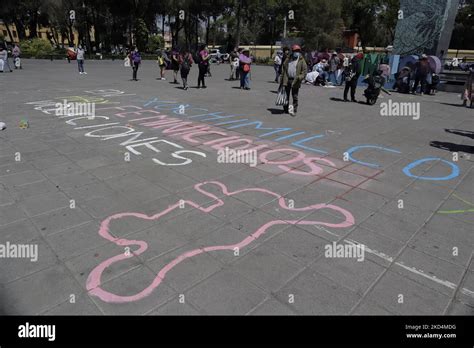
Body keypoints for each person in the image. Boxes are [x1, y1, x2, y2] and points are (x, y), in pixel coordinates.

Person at [280, 44, 308, 116]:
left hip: (296, 81)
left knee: (295, 96)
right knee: (286, 96)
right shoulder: (288, 59)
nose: (297, 52)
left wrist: (300, 77)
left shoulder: (301, 60)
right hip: (287, 80)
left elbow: (304, 71)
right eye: (295, 51)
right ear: (292, 51)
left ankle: (294, 109)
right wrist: (282, 80)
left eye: (298, 51)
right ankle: (286, 109)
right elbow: (284, 69)